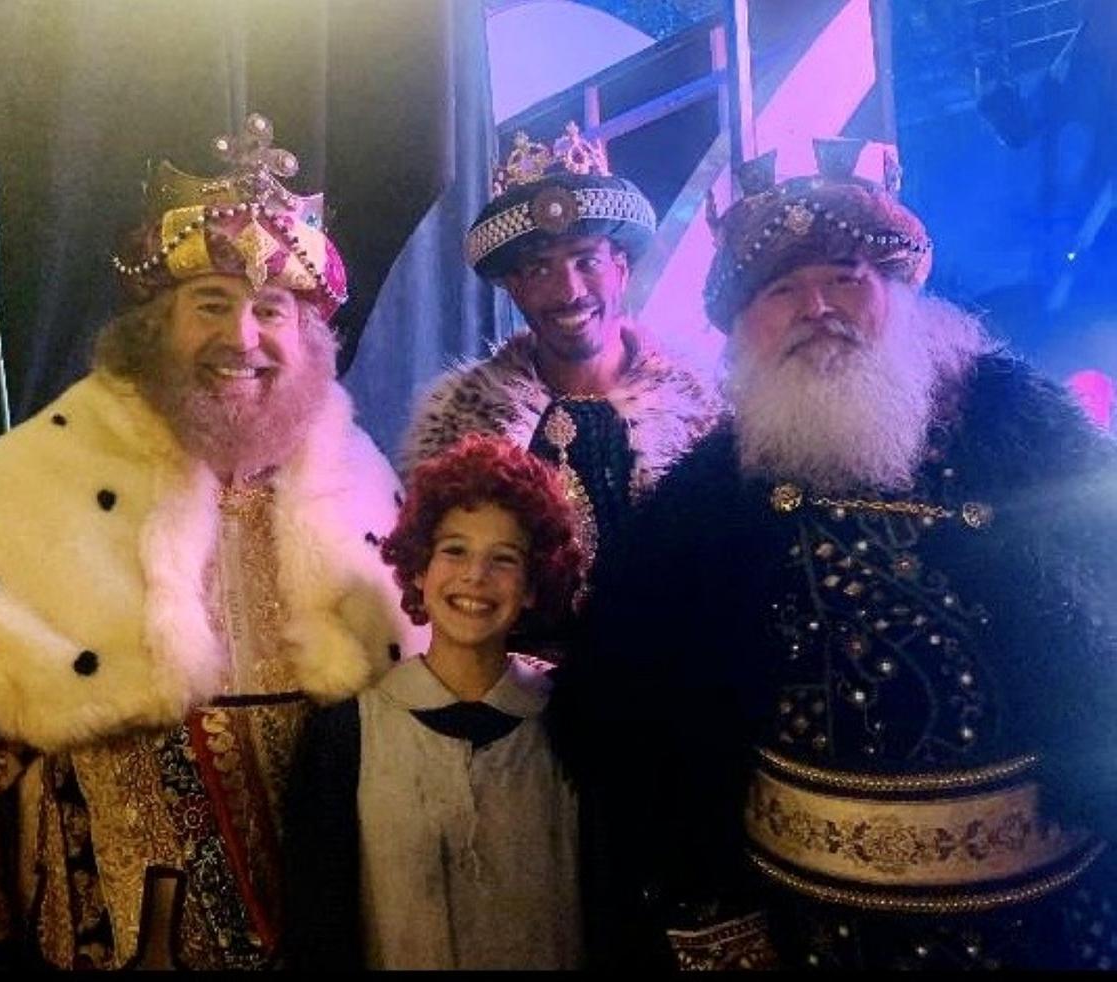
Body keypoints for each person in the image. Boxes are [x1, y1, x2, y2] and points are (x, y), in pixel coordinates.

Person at [0, 113, 423, 970]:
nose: (243, 339)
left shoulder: (360, 481)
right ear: (154, 324)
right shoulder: (46, 472)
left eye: (270, 310)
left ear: (309, 338)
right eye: (212, 305)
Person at [557, 139, 1117, 970]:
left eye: (847, 278)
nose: (817, 307)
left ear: (898, 292)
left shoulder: (1033, 443)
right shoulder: (700, 509)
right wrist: (711, 915)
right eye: (780, 290)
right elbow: (634, 725)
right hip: (812, 932)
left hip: (1047, 921)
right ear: (742, 328)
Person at [282, 433, 585, 970]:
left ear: (532, 585)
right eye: (454, 550)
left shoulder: (573, 724)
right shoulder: (346, 737)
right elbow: (318, 933)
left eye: (504, 558)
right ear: (420, 568)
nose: (475, 576)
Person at [402, 122, 720, 603]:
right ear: (514, 288)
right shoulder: (459, 425)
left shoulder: (700, 419)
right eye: (539, 269)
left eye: (586, 262)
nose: (569, 291)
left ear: (621, 269)